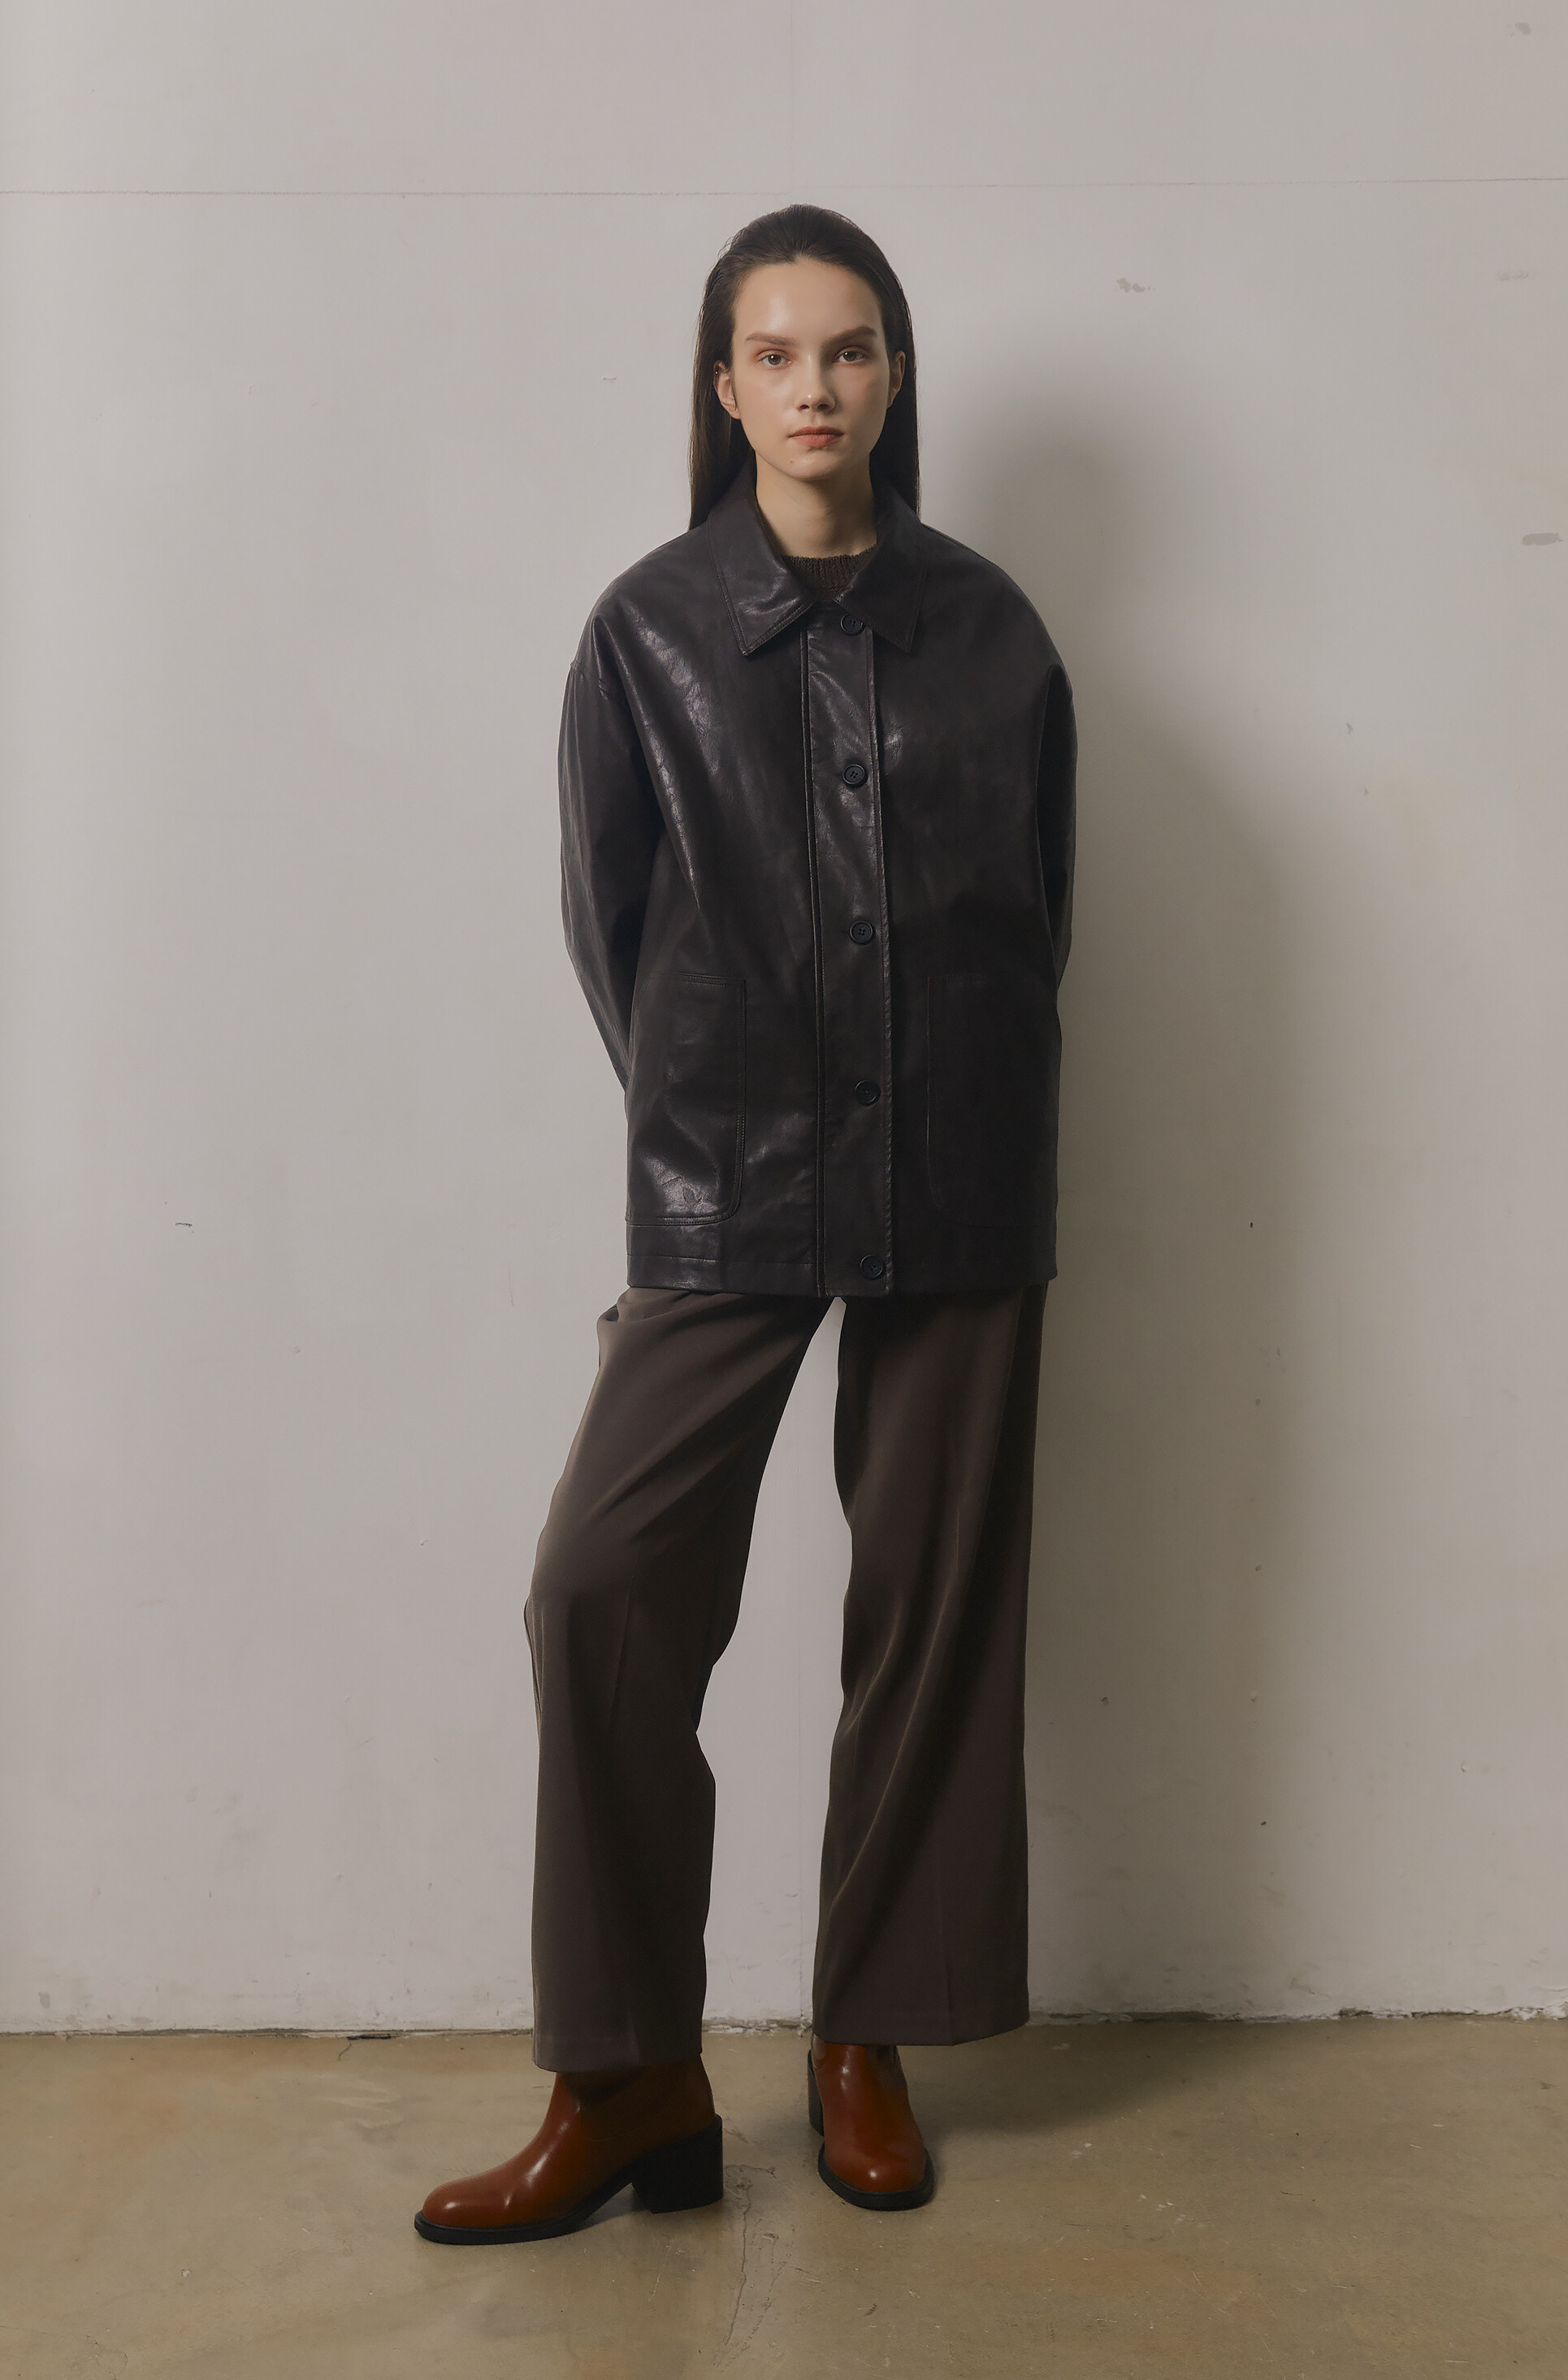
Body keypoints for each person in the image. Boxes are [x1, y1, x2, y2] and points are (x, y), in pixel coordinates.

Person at [416, 204, 1076, 2244]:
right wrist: (718, 1099)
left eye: (848, 349)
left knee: (933, 1608)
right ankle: (625, 2078)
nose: (813, 387)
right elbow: (611, 921)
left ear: (893, 376)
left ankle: (866, 2035)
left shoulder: (992, 631)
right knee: (601, 1589)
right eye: (774, 353)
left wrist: (944, 1083)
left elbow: (1034, 912)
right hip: (729, 1163)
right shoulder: (647, 630)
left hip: (961, 1158)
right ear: (721, 386)